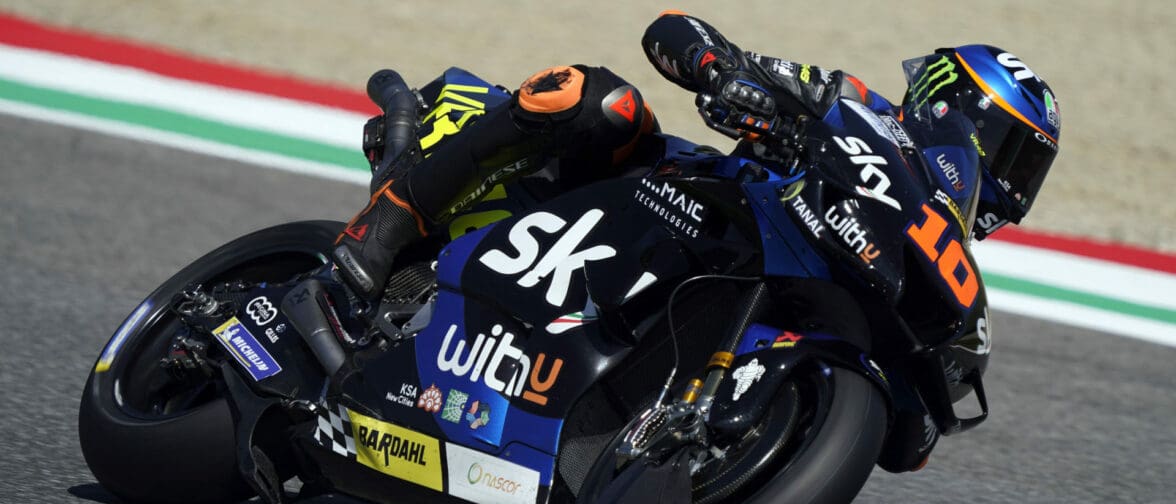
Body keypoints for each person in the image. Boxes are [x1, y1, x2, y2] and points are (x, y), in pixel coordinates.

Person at [332, 10, 1060, 302]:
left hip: (740, 278)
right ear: (952, 107)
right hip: (671, 196)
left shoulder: (925, 251)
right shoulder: (850, 102)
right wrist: (722, 72)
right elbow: (673, 27)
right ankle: (388, 223)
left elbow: (906, 447)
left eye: (1026, 169)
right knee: (598, 100)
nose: (1011, 182)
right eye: (1011, 153)